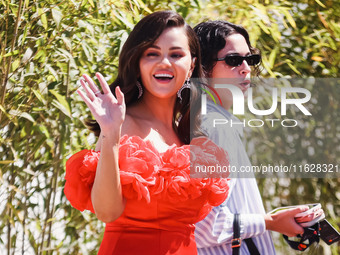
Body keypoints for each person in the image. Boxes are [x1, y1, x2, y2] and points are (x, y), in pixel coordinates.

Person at [64, 11, 230, 255]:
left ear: (192, 64)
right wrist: (110, 133)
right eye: (152, 54)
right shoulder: (122, 124)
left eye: (176, 54)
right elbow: (107, 212)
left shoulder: (191, 134)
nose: (164, 62)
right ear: (137, 62)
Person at [193, 20, 309, 254]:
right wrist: (269, 222)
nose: (246, 68)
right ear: (203, 67)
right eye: (233, 60)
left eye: (251, 59)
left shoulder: (209, 121)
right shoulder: (214, 128)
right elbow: (205, 226)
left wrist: (273, 219)